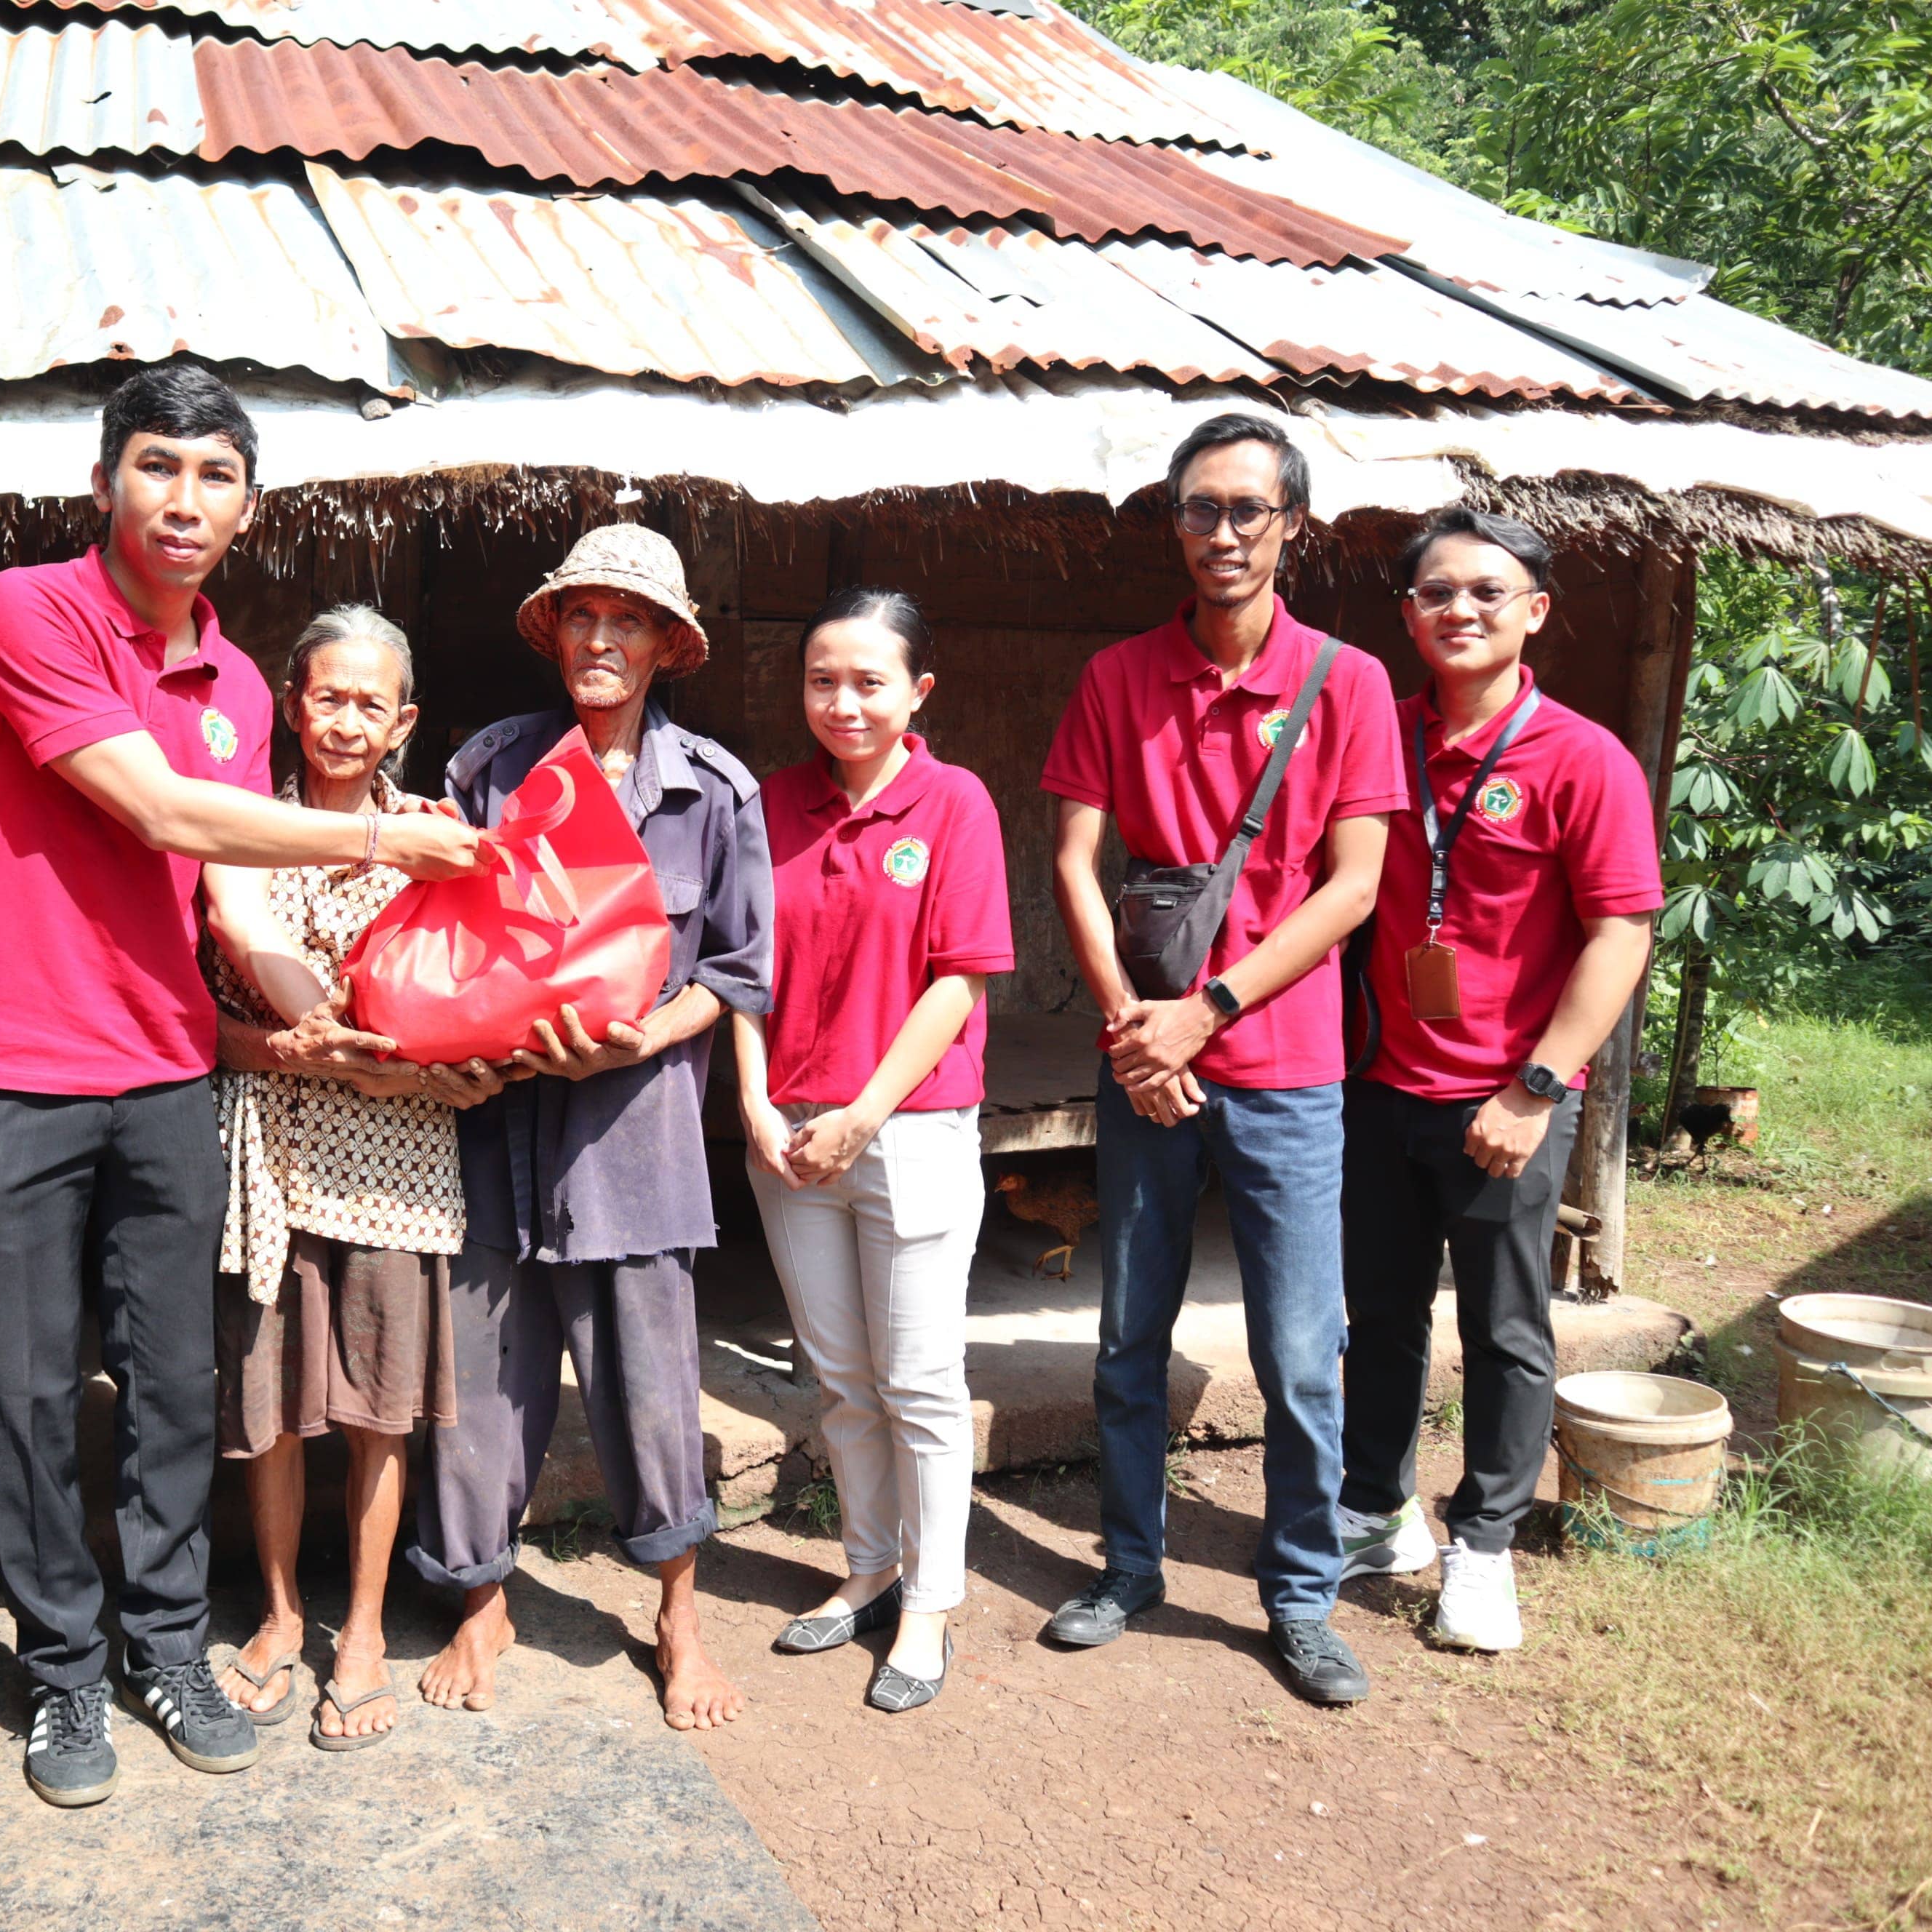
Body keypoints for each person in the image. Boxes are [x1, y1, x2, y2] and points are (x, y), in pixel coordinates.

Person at [0, 368, 484, 1808]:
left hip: (173, 1066)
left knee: (178, 1382)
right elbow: (163, 806)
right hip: (18, 1062)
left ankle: (166, 1639)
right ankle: (64, 1667)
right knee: (37, 1383)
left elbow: (232, 905)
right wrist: (382, 845)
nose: (185, 499)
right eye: (159, 466)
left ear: (250, 502)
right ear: (107, 477)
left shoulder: (243, 684)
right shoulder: (23, 614)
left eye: (216, 475)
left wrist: (341, 1024)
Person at [1042, 412, 1402, 1706]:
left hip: (1288, 1063)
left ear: (1294, 524)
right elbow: (1078, 861)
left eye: (1251, 509)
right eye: (1201, 509)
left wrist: (1215, 1005)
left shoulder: (1345, 683)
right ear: (1173, 523)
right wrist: (1136, 1024)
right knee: (1127, 1335)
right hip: (1146, 1056)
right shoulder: (1119, 675)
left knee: (1302, 1352)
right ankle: (1129, 1562)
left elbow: (1353, 885)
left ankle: (1300, 1594)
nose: (1225, 532)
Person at [408, 523, 773, 1732]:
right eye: (581, 616)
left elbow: (739, 967)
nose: (601, 638)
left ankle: (678, 1611)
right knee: (475, 1387)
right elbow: (442, 937)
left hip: (633, 1138)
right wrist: (465, 1050)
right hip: (493, 1134)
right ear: (553, 633)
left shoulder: (716, 791)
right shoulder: (493, 771)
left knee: (654, 1388)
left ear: (669, 644)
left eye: (628, 620)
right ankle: (479, 1599)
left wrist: (648, 1033)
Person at [1336, 506, 1661, 1652]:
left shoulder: (1582, 759)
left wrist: (1535, 1088)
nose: (1458, 611)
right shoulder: (1379, 737)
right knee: (1377, 1313)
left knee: (1507, 1327)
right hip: (1380, 1084)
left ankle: (1482, 1545)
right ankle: (1377, 1512)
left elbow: (1621, 932)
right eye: (1435, 594)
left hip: (1507, 1100)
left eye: (1486, 592)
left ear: (1535, 611)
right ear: (1407, 615)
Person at [207, 605, 498, 1750]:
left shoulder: (438, 836)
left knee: (380, 1412)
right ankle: (283, 1615)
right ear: (292, 705)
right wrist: (287, 1047)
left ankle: (366, 1631)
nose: (345, 721)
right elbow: (202, 1023)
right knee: (274, 1411)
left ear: (405, 722)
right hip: (269, 1153)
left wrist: (428, 1079)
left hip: (397, 1164)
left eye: (370, 703)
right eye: (326, 697)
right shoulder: (241, 829)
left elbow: (481, 1009)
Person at [735, 586, 1012, 1715]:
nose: (843, 703)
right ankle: (868, 1565)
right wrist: (753, 1101)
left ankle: (931, 1603)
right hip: (790, 1135)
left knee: (920, 1382)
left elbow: (960, 979)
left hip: (913, 1129)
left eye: (868, 682)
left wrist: (864, 1111)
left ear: (917, 692)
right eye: (821, 681)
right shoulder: (772, 803)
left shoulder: (954, 804)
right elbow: (739, 971)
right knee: (843, 1381)